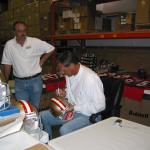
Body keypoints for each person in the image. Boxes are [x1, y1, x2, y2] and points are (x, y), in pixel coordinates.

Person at [40, 51, 105, 139]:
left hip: (88, 114)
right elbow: (74, 91)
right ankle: (49, 144)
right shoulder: (70, 74)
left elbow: (100, 106)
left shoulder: (90, 79)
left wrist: (74, 108)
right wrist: (64, 92)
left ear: (72, 65)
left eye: (63, 70)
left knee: (65, 130)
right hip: (72, 111)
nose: (62, 73)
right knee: (43, 116)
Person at [1, 21, 55, 109]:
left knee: (35, 107)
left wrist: (41, 62)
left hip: (35, 81)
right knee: (23, 109)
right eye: (19, 31)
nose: (22, 33)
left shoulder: (34, 42)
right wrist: (5, 81)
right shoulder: (9, 45)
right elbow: (7, 64)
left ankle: (37, 122)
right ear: (14, 32)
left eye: (24, 31)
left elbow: (51, 48)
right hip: (19, 83)